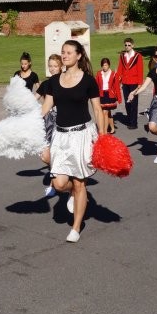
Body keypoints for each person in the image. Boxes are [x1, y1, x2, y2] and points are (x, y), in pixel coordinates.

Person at [39, 40, 103, 243]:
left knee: (79, 181)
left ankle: (76, 227)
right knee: (59, 184)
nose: (64, 55)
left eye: (68, 52)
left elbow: (97, 109)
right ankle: (73, 193)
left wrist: (103, 137)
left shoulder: (88, 81)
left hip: (82, 135)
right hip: (60, 136)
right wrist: (27, 124)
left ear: (79, 55)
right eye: (63, 52)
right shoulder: (54, 81)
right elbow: (45, 108)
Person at [36, 54, 63, 198]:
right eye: (50, 66)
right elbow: (34, 98)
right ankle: (58, 172)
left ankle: (54, 184)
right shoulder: (46, 84)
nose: (52, 69)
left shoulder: (64, 82)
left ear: (61, 67)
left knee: (57, 153)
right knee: (46, 156)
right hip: (47, 123)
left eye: (55, 66)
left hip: (62, 122)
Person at [117, 37, 144, 129]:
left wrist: (140, 84)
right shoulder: (122, 56)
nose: (127, 46)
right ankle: (129, 119)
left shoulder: (138, 56)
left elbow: (140, 70)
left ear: (133, 45)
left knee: (133, 103)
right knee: (127, 102)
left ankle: (133, 123)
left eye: (129, 45)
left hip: (134, 82)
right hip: (125, 82)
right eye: (126, 45)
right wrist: (118, 82)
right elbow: (120, 69)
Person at [96, 57, 121, 134]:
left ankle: (105, 131)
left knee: (105, 112)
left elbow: (117, 86)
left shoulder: (113, 74)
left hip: (110, 95)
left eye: (106, 65)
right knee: (107, 113)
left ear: (109, 65)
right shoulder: (99, 73)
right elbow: (96, 85)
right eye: (103, 65)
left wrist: (119, 98)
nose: (104, 67)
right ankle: (112, 128)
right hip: (102, 95)